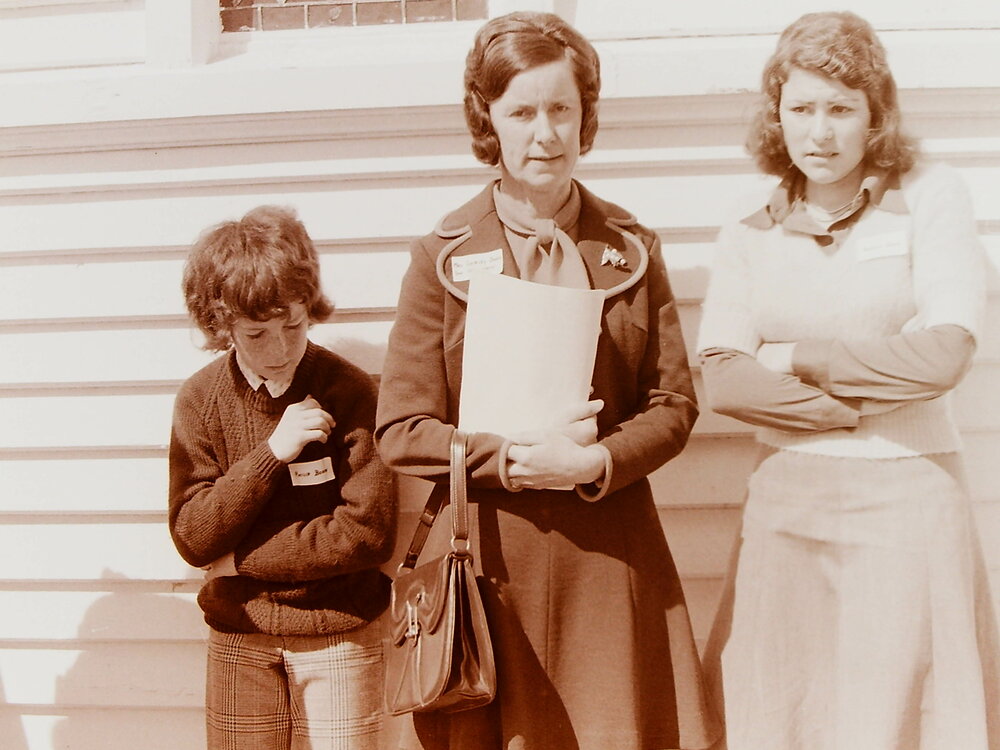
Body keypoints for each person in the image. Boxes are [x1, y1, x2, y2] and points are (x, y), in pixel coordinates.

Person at [375, 11, 719, 750]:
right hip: (490, 563)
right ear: (488, 119)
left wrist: (595, 462)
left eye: (562, 109)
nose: (545, 133)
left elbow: (673, 404)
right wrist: (508, 459)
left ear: (585, 115)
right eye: (522, 111)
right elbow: (401, 430)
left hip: (607, 558)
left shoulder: (630, 248)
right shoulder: (440, 257)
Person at [697, 11, 1000, 750]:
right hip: (786, 508)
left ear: (875, 116)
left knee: (903, 719)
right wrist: (857, 406)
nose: (821, 132)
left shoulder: (932, 196)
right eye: (801, 109)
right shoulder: (748, 234)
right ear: (777, 115)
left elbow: (945, 355)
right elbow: (725, 382)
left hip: (910, 496)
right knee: (783, 714)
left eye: (841, 109)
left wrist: (799, 357)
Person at [168, 205, 397, 750]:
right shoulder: (200, 400)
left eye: (293, 324)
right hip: (239, 634)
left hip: (340, 632)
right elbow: (194, 536)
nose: (280, 348)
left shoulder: (349, 390)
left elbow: (366, 533)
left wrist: (241, 561)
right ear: (223, 324)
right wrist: (271, 453)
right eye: (257, 333)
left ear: (309, 308)